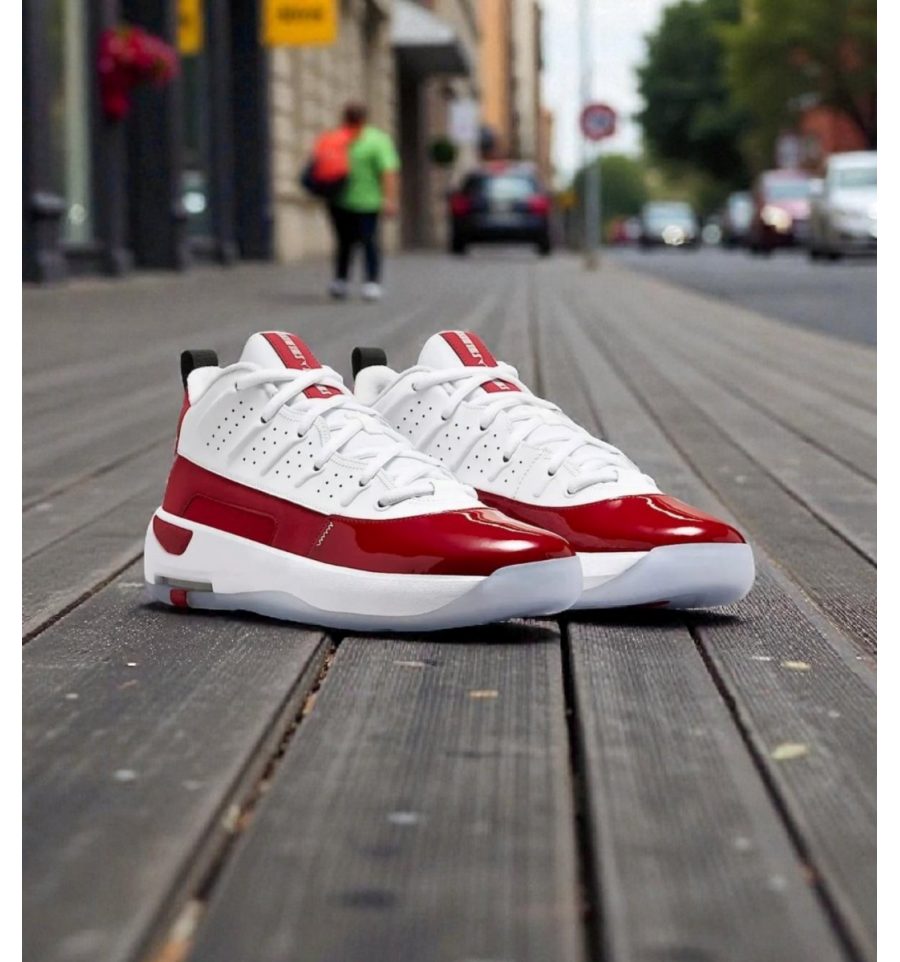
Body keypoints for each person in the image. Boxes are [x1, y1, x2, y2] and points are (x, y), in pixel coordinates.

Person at [326, 102, 400, 302]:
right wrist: (390, 199)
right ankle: (368, 282)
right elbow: (388, 172)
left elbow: (388, 172)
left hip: (346, 201)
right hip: (361, 201)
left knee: (349, 243)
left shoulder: (336, 138)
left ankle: (344, 281)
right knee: (364, 242)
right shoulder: (377, 140)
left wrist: (389, 199)